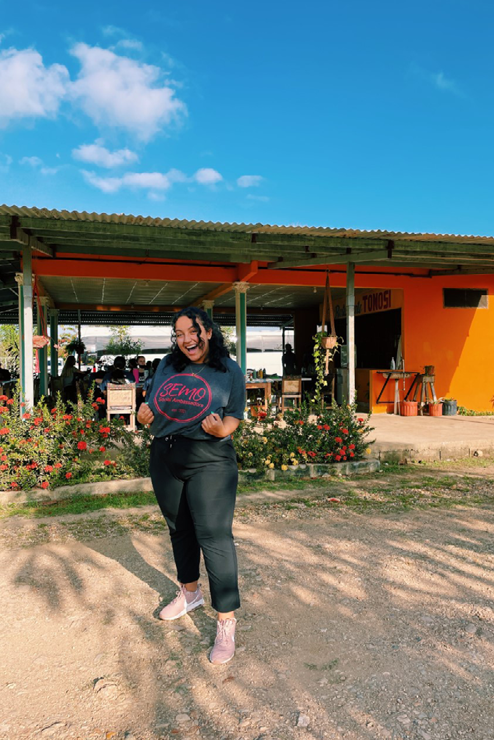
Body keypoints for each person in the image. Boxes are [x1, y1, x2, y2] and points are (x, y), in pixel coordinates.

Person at [137, 307, 245, 665]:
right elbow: (154, 407)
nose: (186, 339)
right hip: (165, 454)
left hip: (209, 458)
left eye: (192, 330)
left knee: (214, 536)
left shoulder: (229, 370)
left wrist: (223, 430)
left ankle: (226, 620)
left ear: (208, 331)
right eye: (179, 333)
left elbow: (234, 416)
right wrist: (142, 417)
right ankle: (190, 593)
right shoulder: (167, 365)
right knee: (179, 529)